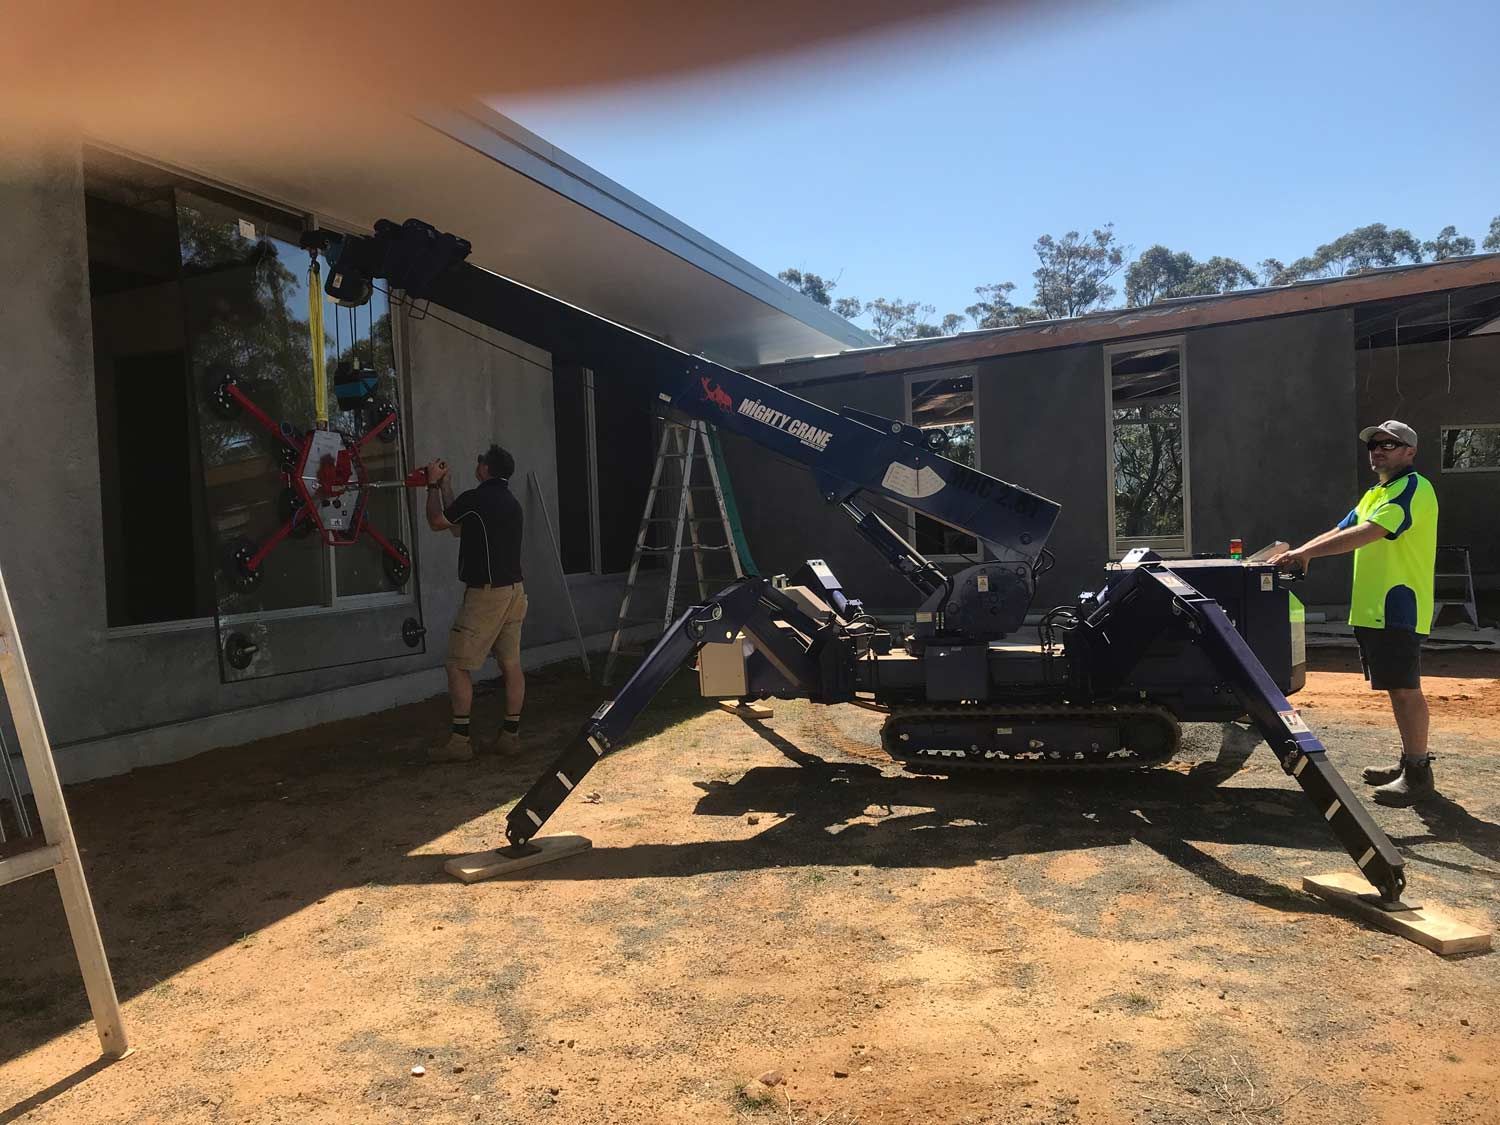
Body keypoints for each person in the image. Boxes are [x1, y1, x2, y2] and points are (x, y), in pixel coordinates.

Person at [1269, 420, 1438, 806]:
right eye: (1374, 445)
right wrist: (1300, 553)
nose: (1378, 450)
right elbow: (1339, 529)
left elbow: (1369, 533)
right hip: (1374, 609)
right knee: (1397, 687)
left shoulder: (1414, 488)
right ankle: (1408, 762)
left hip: (1399, 606)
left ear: (1410, 452)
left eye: (1390, 445)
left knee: (1405, 688)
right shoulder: (1376, 493)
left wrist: (1305, 554)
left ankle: (1418, 773)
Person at [423, 444, 528, 763]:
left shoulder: (477, 499)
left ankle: (460, 740)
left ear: (487, 469)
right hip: (514, 592)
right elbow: (461, 522)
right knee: (510, 663)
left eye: (480, 460)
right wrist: (446, 486)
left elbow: (439, 522)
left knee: (457, 664)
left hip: (486, 595)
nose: (476, 463)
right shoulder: (510, 503)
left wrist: (430, 485)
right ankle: (511, 736)